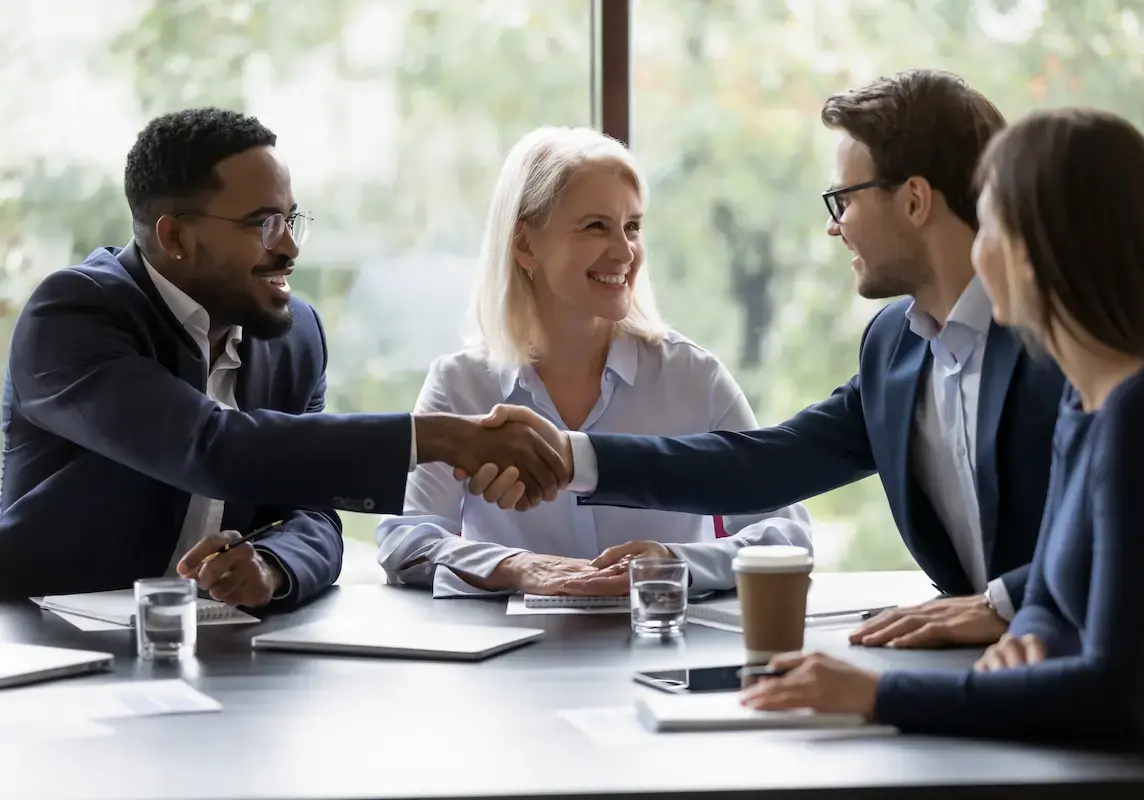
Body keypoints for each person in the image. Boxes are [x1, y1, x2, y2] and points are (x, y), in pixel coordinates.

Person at [472, 69, 1064, 647]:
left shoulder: (1067, 340)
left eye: (843, 200)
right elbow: (765, 464)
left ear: (914, 201)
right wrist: (566, 454)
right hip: (979, 674)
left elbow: (1133, 528)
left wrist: (1003, 602)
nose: (836, 228)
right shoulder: (895, 347)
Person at [739, 108, 1144, 741]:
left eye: (990, 225)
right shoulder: (1087, 403)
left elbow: (1115, 695)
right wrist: (1030, 639)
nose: (975, 251)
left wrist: (877, 693)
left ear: (1040, 250)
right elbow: (1051, 595)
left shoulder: (1143, 417)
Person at [0, 108, 568, 606]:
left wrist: (271, 567)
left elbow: (314, 515)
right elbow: (210, 447)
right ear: (175, 237)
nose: (290, 247)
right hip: (51, 645)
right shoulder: (73, 317)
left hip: (218, 652)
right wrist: (441, 438)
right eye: (264, 224)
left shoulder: (294, 337)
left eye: (291, 220)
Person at [375, 126, 812, 597]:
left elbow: (784, 536)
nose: (625, 251)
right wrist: (516, 566)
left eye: (633, 227)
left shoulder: (693, 377)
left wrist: (673, 562)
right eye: (595, 227)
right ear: (524, 244)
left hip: (665, 654)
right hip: (513, 664)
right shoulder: (461, 384)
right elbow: (406, 539)